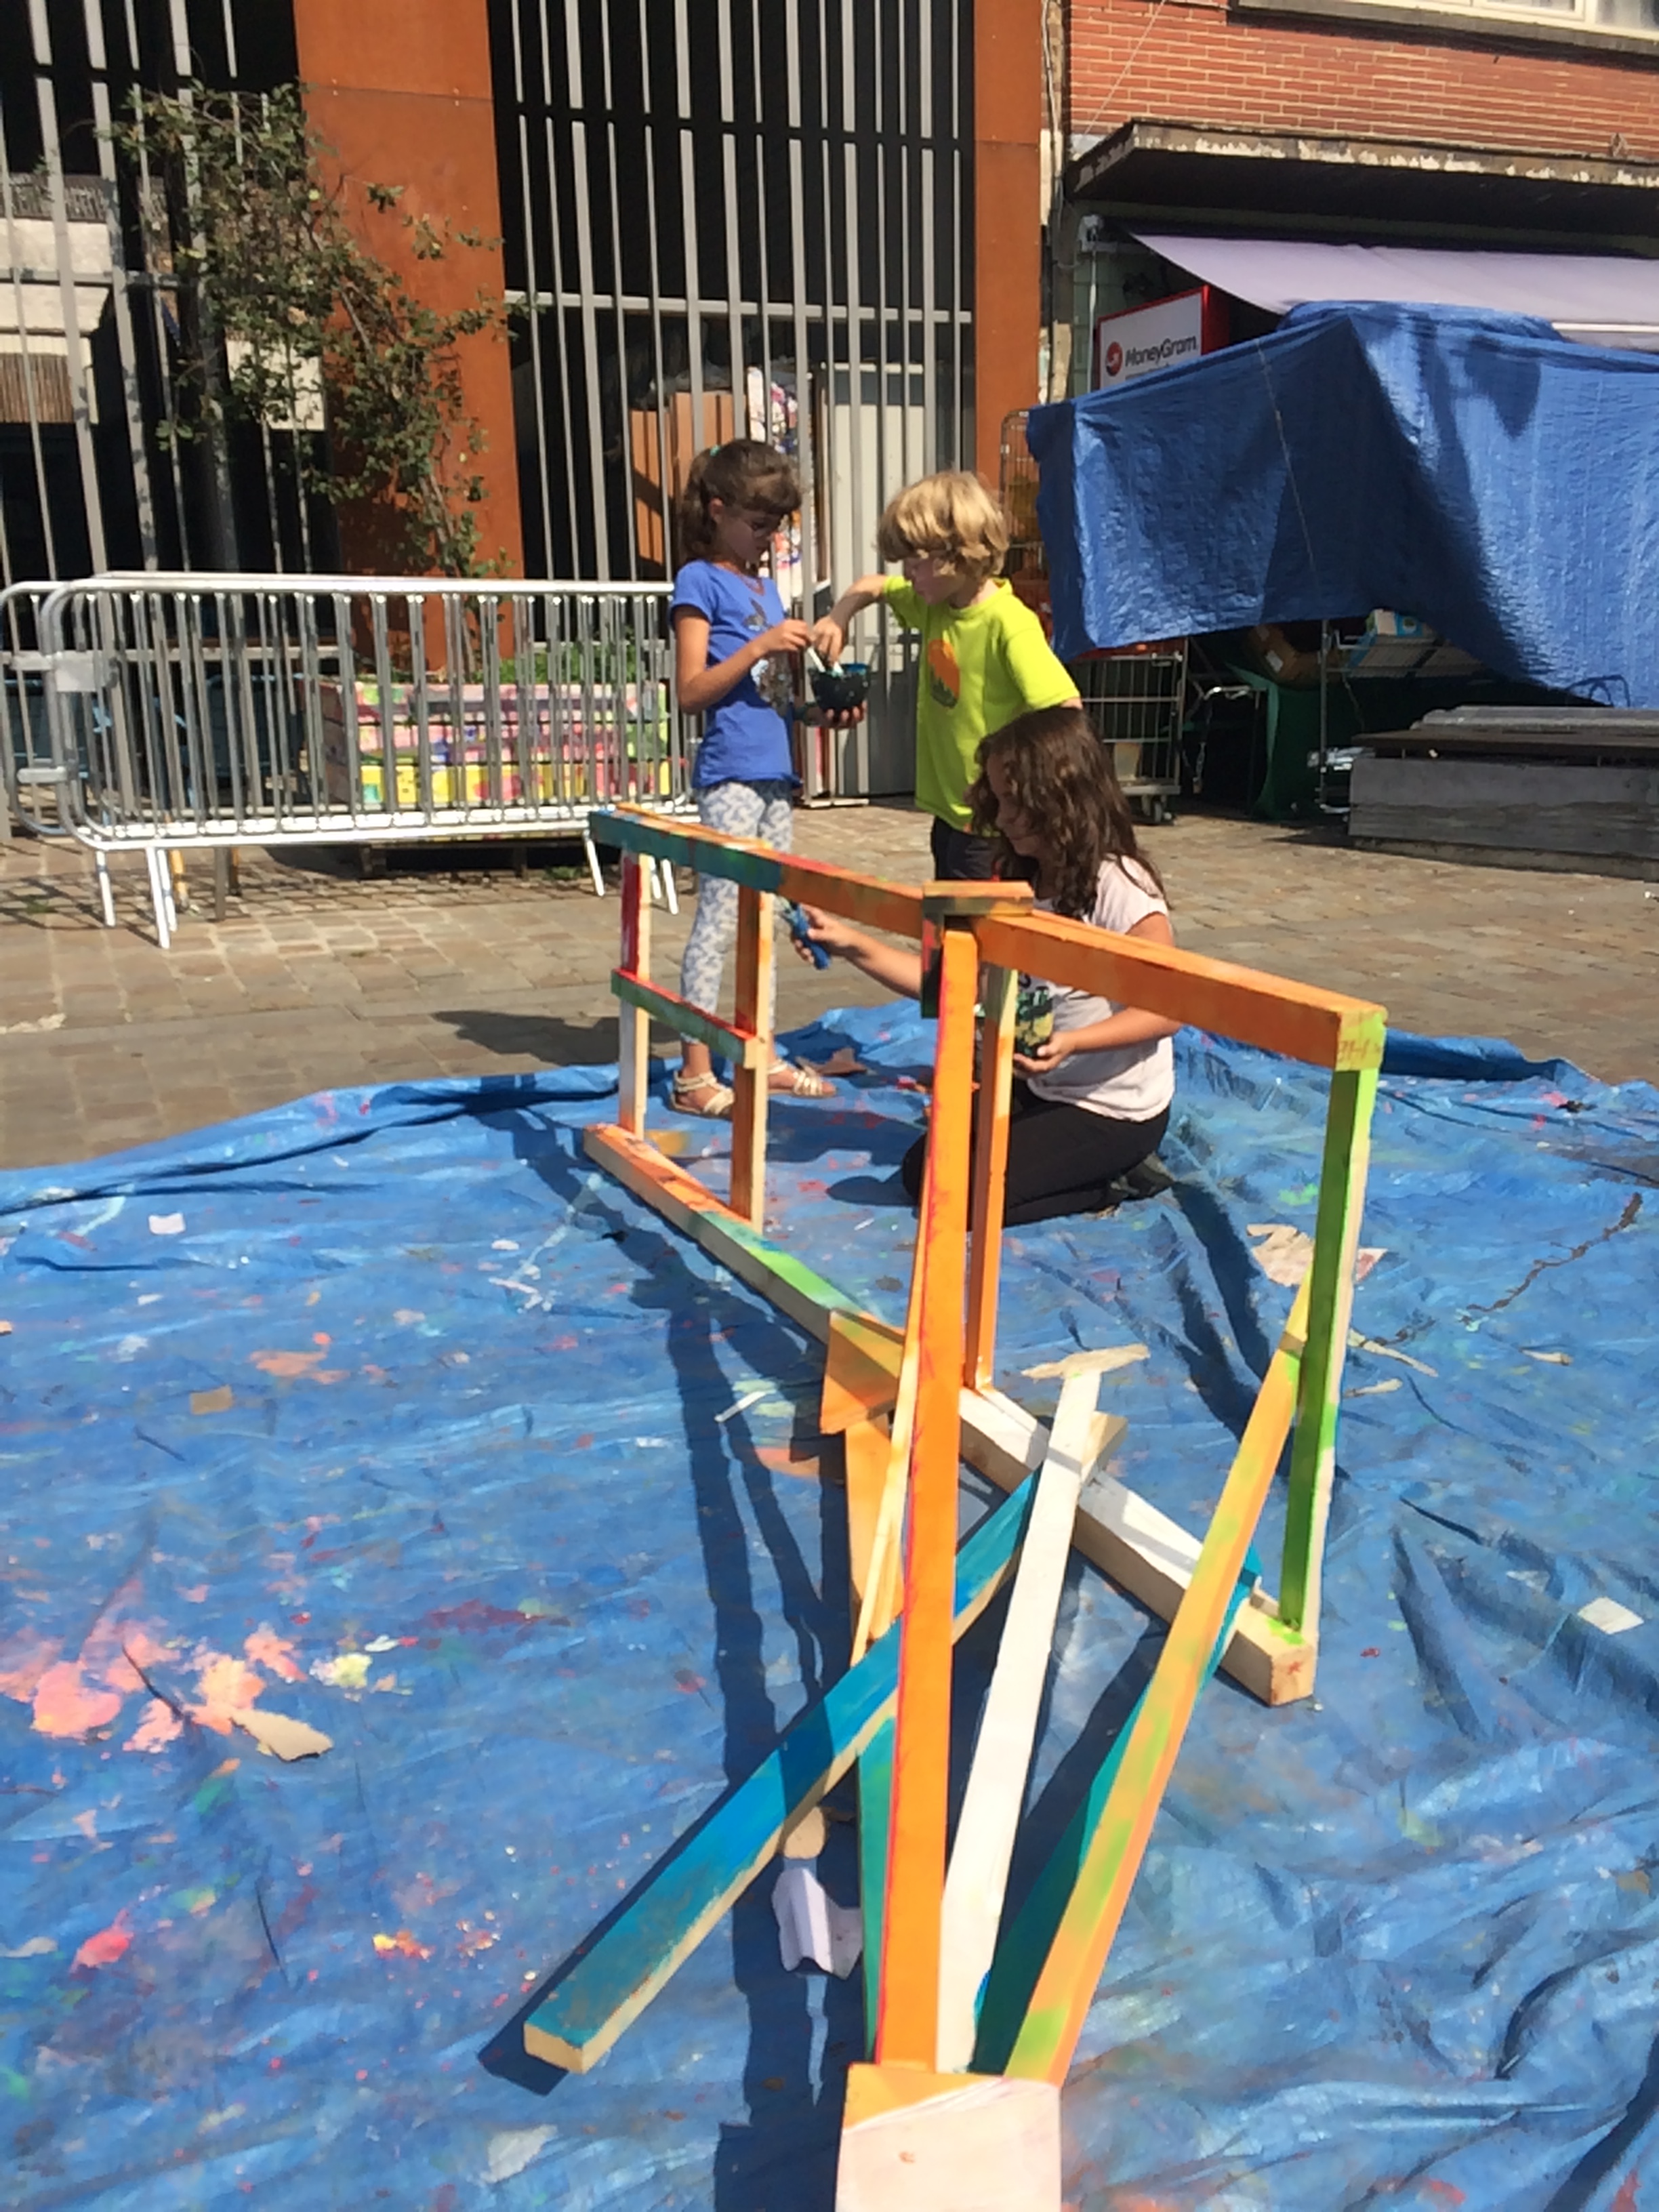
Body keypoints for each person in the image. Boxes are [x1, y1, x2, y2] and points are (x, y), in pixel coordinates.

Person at [796, 705, 1179, 1227]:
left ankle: (1115, 1181)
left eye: (1016, 801)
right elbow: (956, 986)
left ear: (1061, 797)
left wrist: (1072, 1042)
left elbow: (1168, 1009)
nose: (1001, 818)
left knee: (965, 1202)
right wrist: (849, 944)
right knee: (922, 1173)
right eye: (997, 801)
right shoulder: (1018, 883)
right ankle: (1075, 1172)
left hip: (1114, 1109)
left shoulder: (1120, 885)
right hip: (1040, 1088)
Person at [668, 439, 852, 1118]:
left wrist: (818, 712)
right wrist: (759, 646)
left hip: (775, 774)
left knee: (768, 919)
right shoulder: (699, 581)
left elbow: (769, 696)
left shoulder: (766, 590)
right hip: (731, 778)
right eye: (757, 524)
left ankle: (760, 1051)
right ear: (717, 510)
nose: (767, 537)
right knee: (719, 918)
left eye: (775, 526)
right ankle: (693, 1074)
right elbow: (691, 690)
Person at [811, 471, 1079, 882]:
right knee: (950, 913)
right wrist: (838, 618)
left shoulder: (1009, 624)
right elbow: (873, 586)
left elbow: (1066, 709)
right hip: (951, 815)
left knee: (972, 922)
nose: (907, 575)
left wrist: (1032, 796)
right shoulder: (939, 604)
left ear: (957, 555)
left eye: (915, 564)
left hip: (993, 826)